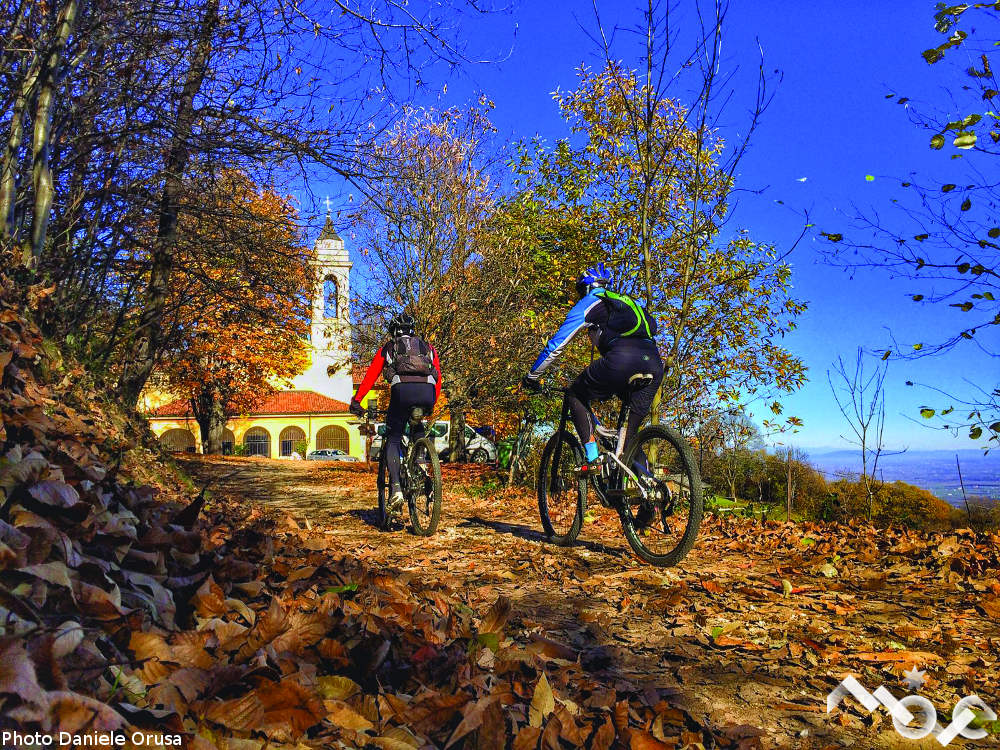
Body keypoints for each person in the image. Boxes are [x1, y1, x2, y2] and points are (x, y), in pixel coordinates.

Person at [522, 263, 663, 471]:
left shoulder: (590, 302)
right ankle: (651, 492)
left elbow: (556, 346)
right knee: (629, 439)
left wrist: (533, 375)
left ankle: (593, 459)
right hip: (653, 362)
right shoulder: (628, 303)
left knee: (575, 394)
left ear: (587, 288)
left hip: (621, 360)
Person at [350, 313, 442, 513]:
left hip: (402, 393)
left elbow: (371, 376)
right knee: (418, 427)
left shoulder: (389, 348)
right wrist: (432, 402)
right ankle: (422, 467)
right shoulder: (427, 347)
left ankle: (397, 491)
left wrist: (357, 400)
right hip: (427, 392)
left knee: (393, 437)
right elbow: (438, 375)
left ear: (393, 331)